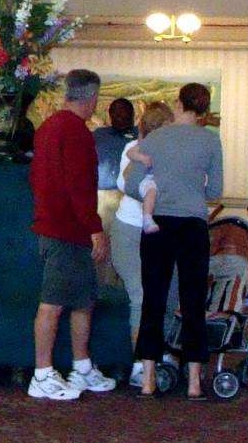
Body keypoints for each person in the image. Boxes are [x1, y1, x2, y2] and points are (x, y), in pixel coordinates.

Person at [130, 83, 224, 401]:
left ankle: (148, 379)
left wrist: (156, 191)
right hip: (193, 226)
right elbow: (215, 191)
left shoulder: (155, 138)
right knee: (194, 301)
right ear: (204, 108)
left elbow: (132, 183)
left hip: (156, 225)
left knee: (153, 300)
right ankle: (195, 381)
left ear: (178, 103)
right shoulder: (211, 141)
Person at [26, 68, 115, 401]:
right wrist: (94, 228)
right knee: (52, 304)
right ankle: (43, 374)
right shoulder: (76, 132)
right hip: (67, 231)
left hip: (55, 226)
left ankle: (81, 366)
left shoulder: (48, 127)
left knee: (82, 301)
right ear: (92, 99)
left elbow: (36, 178)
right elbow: (79, 186)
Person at [111, 102, 171, 389]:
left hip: (162, 232)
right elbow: (128, 185)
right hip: (131, 230)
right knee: (141, 296)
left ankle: (164, 357)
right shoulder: (132, 151)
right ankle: (140, 362)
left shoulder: (173, 155)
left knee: (168, 295)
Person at [92, 97, 136, 228]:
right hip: (104, 198)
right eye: (115, 113)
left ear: (132, 115)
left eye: (124, 112)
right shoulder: (99, 135)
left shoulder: (141, 135)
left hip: (131, 197)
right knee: (102, 242)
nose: (119, 116)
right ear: (110, 115)